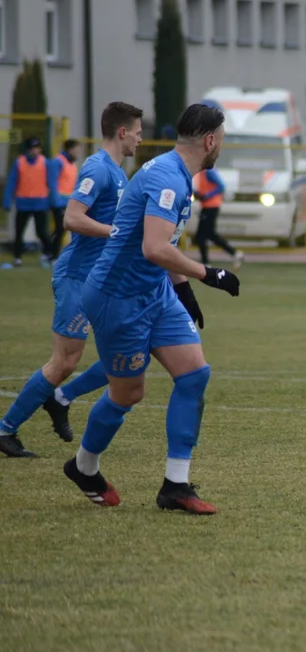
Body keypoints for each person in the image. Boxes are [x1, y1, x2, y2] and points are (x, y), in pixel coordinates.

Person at [64, 103, 240, 515]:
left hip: (154, 291)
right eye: (223, 140)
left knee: (195, 374)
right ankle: (84, 465)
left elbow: (163, 246)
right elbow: (154, 247)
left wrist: (183, 291)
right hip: (116, 296)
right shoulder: (167, 178)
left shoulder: (175, 173)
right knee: (129, 393)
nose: (221, 148)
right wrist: (207, 274)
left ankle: (175, 486)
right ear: (210, 140)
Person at [0, 104, 144, 459]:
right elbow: (72, 218)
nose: (141, 139)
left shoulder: (119, 173)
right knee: (64, 361)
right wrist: (115, 231)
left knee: (129, 353)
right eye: (138, 132)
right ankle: (5, 430)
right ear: (122, 132)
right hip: (78, 278)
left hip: (102, 281)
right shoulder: (97, 167)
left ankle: (61, 398)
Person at [4, 136, 57, 267]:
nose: (35, 150)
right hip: (23, 202)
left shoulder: (45, 162)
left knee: (41, 231)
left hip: (40, 202)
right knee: (19, 231)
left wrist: (53, 201)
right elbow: (11, 182)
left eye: (37, 148)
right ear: (28, 149)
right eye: (33, 148)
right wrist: (7, 201)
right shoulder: (19, 162)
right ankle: (17, 257)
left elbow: (51, 183)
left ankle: (50, 253)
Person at [193, 167, 243, 269]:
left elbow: (221, 186)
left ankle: (206, 261)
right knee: (208, 234)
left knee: (202, 235)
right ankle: (234, 253)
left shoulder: (208, 171)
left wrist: (207, 195)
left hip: (211, 206)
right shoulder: (201, 171)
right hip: (207, 206)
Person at [49, 139, 81, 259]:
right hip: (59, 202)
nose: (78, 152)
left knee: (62, 229)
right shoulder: (58, 161)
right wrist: (56, 201)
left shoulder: (72, 163)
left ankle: (51, 253)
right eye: (77, 149)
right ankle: (51, 254)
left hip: (69, 202)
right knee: (60, 229)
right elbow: (52, 182)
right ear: (70, 149)